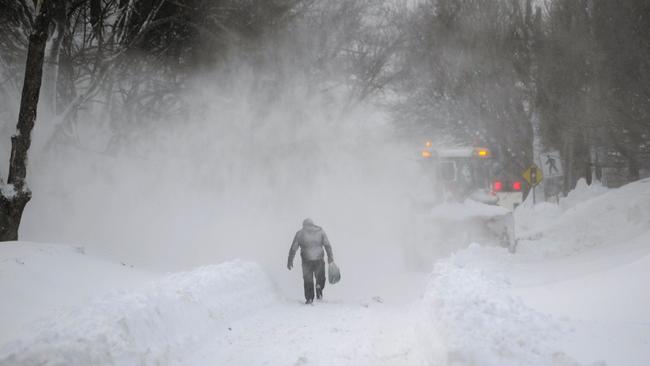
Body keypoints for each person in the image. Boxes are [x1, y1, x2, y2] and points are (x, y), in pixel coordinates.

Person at [287, 218, 334, 304]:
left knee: (308, 279)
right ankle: (319, 287)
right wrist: (330, 258)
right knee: (320, 277)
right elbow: (327, 245)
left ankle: (309, 298)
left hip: (306, 260)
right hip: (319, 259)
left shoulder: (300, 233)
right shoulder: (320, 231)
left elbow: (294, 248)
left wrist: (290, 260)